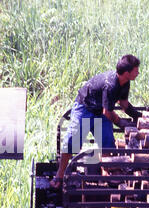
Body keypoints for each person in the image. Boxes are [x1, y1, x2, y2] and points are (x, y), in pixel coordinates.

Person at [50, 54, 142, 189]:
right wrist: (121, 123)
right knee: (72, 141)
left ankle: (106, 174)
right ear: (127, 73)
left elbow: (124, 104)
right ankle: (60, 175)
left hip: (100, 110)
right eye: (136, 70)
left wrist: (138, 117)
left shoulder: (125, 82)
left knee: (107, 142)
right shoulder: (110, 85)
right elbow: (108, 113)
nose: (138, 72)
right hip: (85, 107)